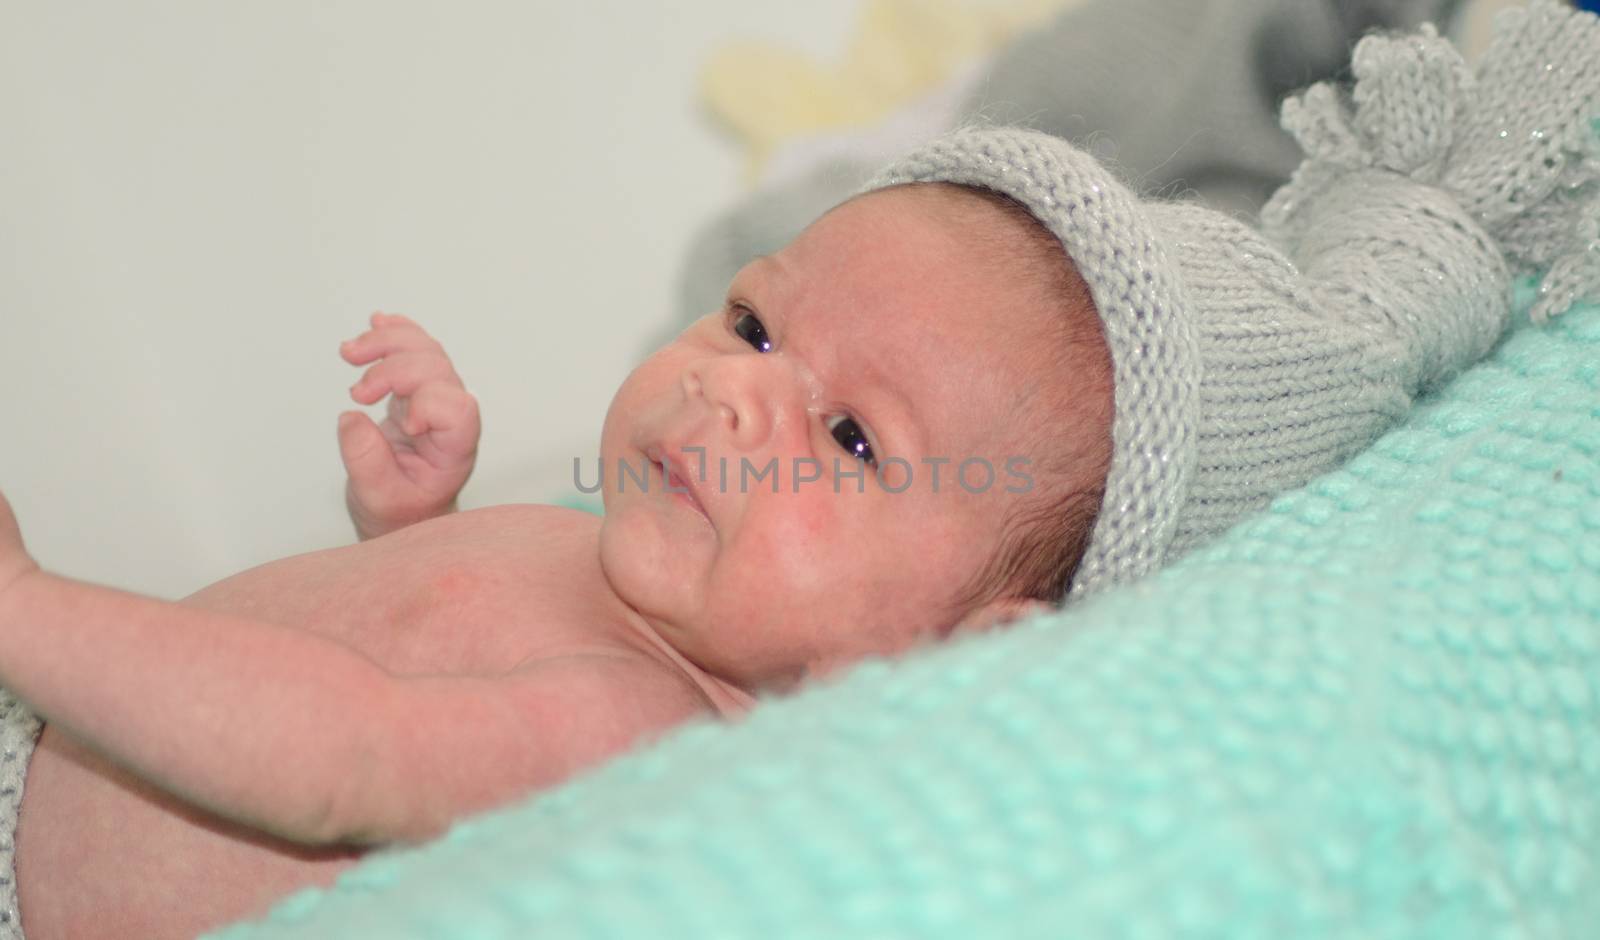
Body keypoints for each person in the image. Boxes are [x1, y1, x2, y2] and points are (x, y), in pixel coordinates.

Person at [0, 3, 1596, 937]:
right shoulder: (628, 579)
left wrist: (30, 610)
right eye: (758, 326)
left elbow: (343, 756)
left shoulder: (641, 719)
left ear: (957, 657)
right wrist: (406, 526)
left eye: (850, 437)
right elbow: (396, 645)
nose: (741, 400)